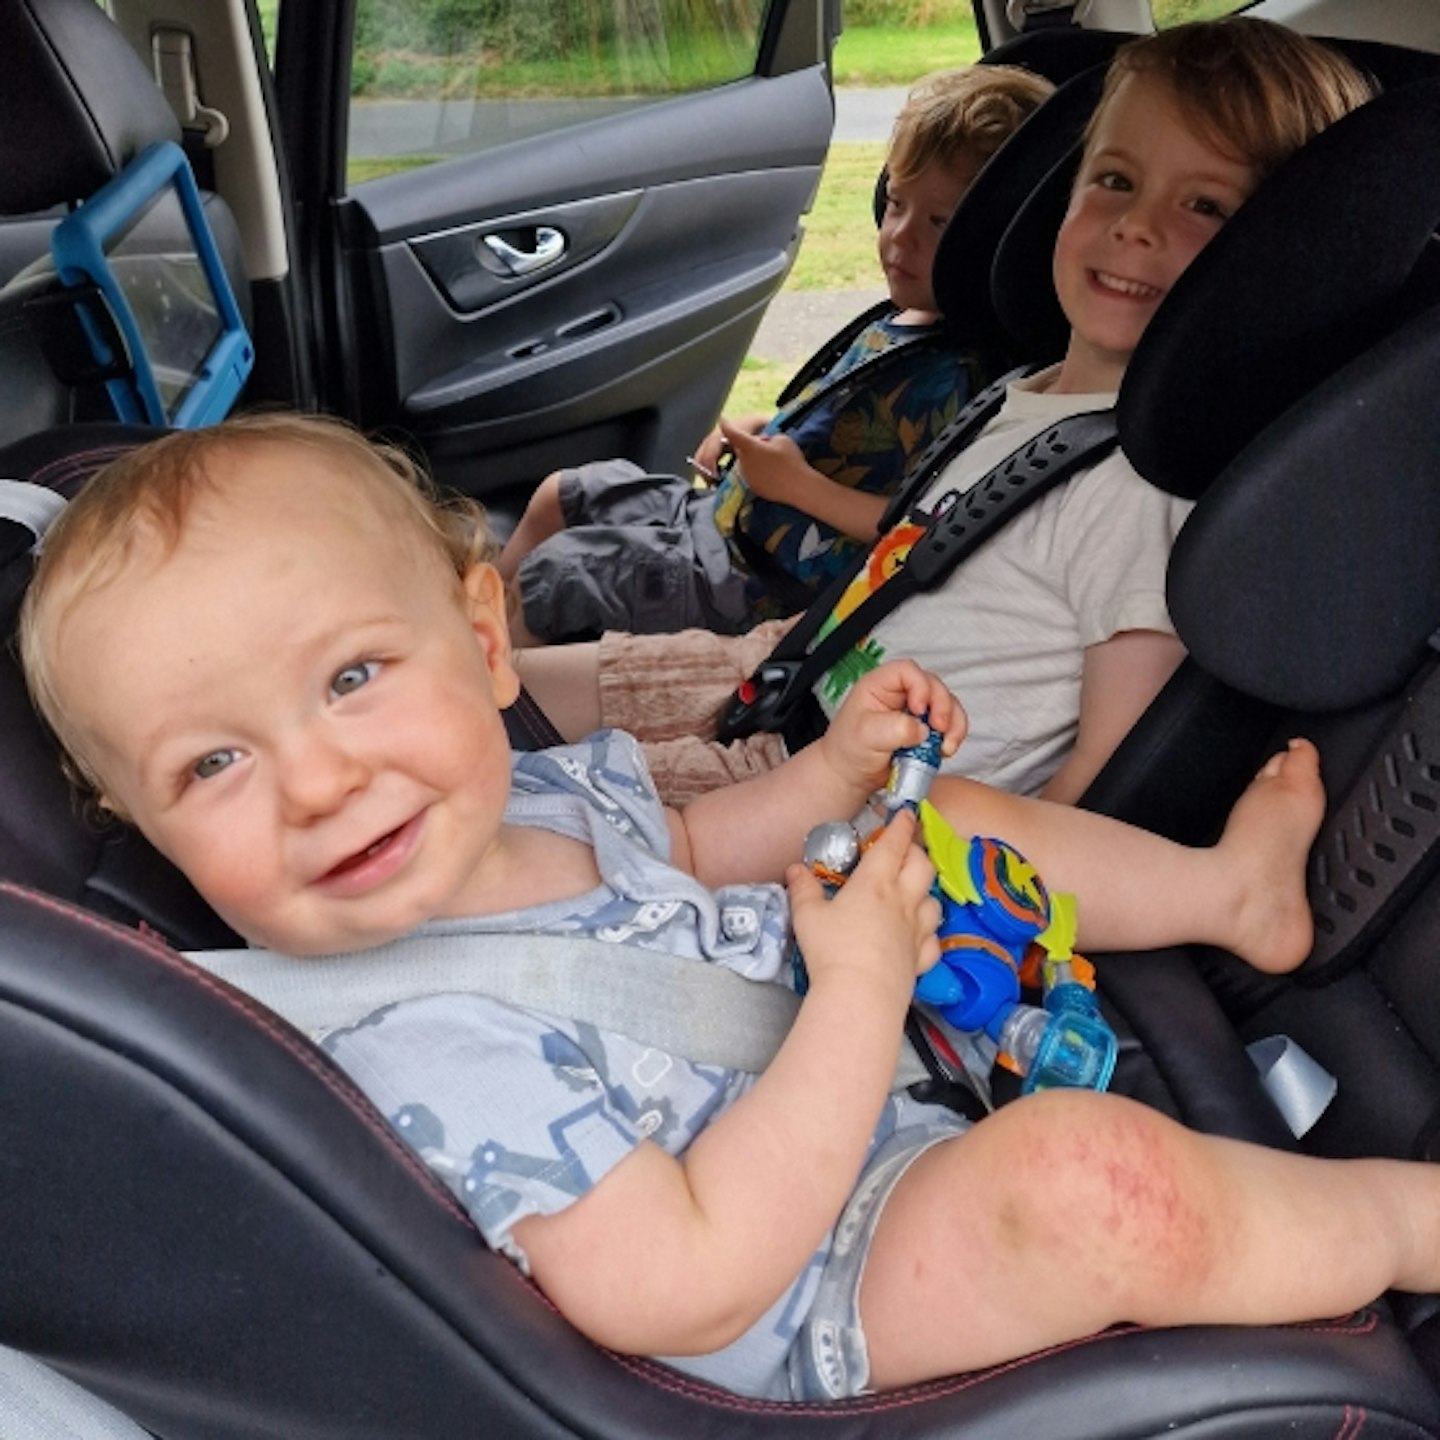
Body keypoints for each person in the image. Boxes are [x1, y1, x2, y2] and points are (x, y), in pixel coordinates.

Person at [23, 412, 1440, 1408]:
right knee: (1088, 1189)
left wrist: (835, 774)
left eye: (349, 681)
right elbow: (687, 1283)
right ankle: (1391, 1223)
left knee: (928, 820)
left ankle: (1227, 895)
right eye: (213, 765)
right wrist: (864, 990)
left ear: (480, 635)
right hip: (810, 1286)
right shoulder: (428, 1045)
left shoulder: (527, 809)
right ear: (137, 826)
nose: (322, 781)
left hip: (841, 1080)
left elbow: (693, 845)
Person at [515, 18, 1376, 807]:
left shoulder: (1145, 488)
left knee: (510, 809)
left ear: (1274, 257)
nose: (1135, 226)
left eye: (1205, 206)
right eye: (1114, 179)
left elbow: (1104, 785)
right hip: (785, 669)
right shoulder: (1025, 391)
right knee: (493, 700)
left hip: (829, 794)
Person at [497, 64, 1054, 645]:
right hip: (726, 520)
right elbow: (853, 423)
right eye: (895, 203)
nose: (899, 237)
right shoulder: (906, 319)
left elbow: (919, 521)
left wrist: (795, 484)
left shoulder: (967, 379)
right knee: (562, 491)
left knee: (558, 575)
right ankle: (475, 633)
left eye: (939, 221)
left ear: (1001, 237)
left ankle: (492, 698)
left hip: (762, 583)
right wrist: (774, 430)